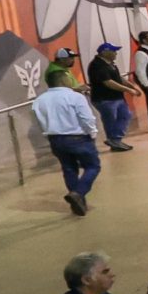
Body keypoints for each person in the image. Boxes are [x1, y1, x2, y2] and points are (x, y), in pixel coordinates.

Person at [30, 66, 101, 217]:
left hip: (56, 139)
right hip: (78, 138)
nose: (71, 80)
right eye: (69, 77)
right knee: (92, 166)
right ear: (62, 80)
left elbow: (41, 121)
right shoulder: (75, 97)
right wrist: (93, 132)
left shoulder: (39, 100)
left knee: (69, 169)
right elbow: (86, 118)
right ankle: (78, 193)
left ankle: (78, 204)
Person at [83, 43, 136, 153]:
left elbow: (118, 78)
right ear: (104, 52)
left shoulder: (111, 64)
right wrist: (128, 90)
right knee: (110, 120)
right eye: (113, 51)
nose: (116, 53)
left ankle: (115, 139)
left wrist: (132, 86)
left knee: (125, 115)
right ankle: (114, 140)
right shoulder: (97, 65)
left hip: (117, 97)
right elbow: (108, 82)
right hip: (104, 99)